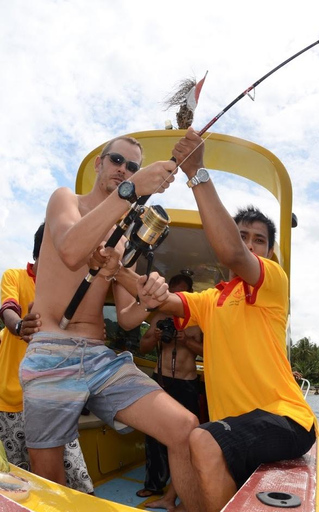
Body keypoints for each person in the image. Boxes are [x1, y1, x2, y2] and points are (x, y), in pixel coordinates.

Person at [20, 135, 201, 511]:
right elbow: (71, 250)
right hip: (51, 352)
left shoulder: (123, 240)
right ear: (100, 163)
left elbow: (127, 317)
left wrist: (150, 298)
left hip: (102, 358)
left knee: (185, 427)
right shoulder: (65, 200)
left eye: (133, 166)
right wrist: (131, 189)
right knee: (50, 484)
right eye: (118, 160)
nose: (125, 169)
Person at [149, 128, 317, 512]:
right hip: (240, 431)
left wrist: (197, 174)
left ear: (269, 252)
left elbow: (231, 253)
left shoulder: (272, 281)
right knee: (191, 437)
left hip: (286, 418)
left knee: (203, 440)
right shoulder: (212, 300)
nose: (249, 244)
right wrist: (123, 273)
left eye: (258, 240)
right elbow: (167, 301)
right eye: (243, 236)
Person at [0, 224, 94, 493]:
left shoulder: (69, 291)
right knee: (18, 485)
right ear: (42, 251)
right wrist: (19, 327)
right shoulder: (15, 277)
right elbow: (8, 310)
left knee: (78, 481)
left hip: (54, 401)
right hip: (10, 403)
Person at [137, 274, 203, 510]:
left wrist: (187, 342)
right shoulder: (159, 317)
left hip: (186, 383)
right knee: (153, 434)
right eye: (172, 291)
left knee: (186, 437)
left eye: (181, 292)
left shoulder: (197, 319)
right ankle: (154, 485)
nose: (175, 296)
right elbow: (143, 347)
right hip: (161, 379)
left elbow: (208, 352)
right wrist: (154, 337)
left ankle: (182, 489)